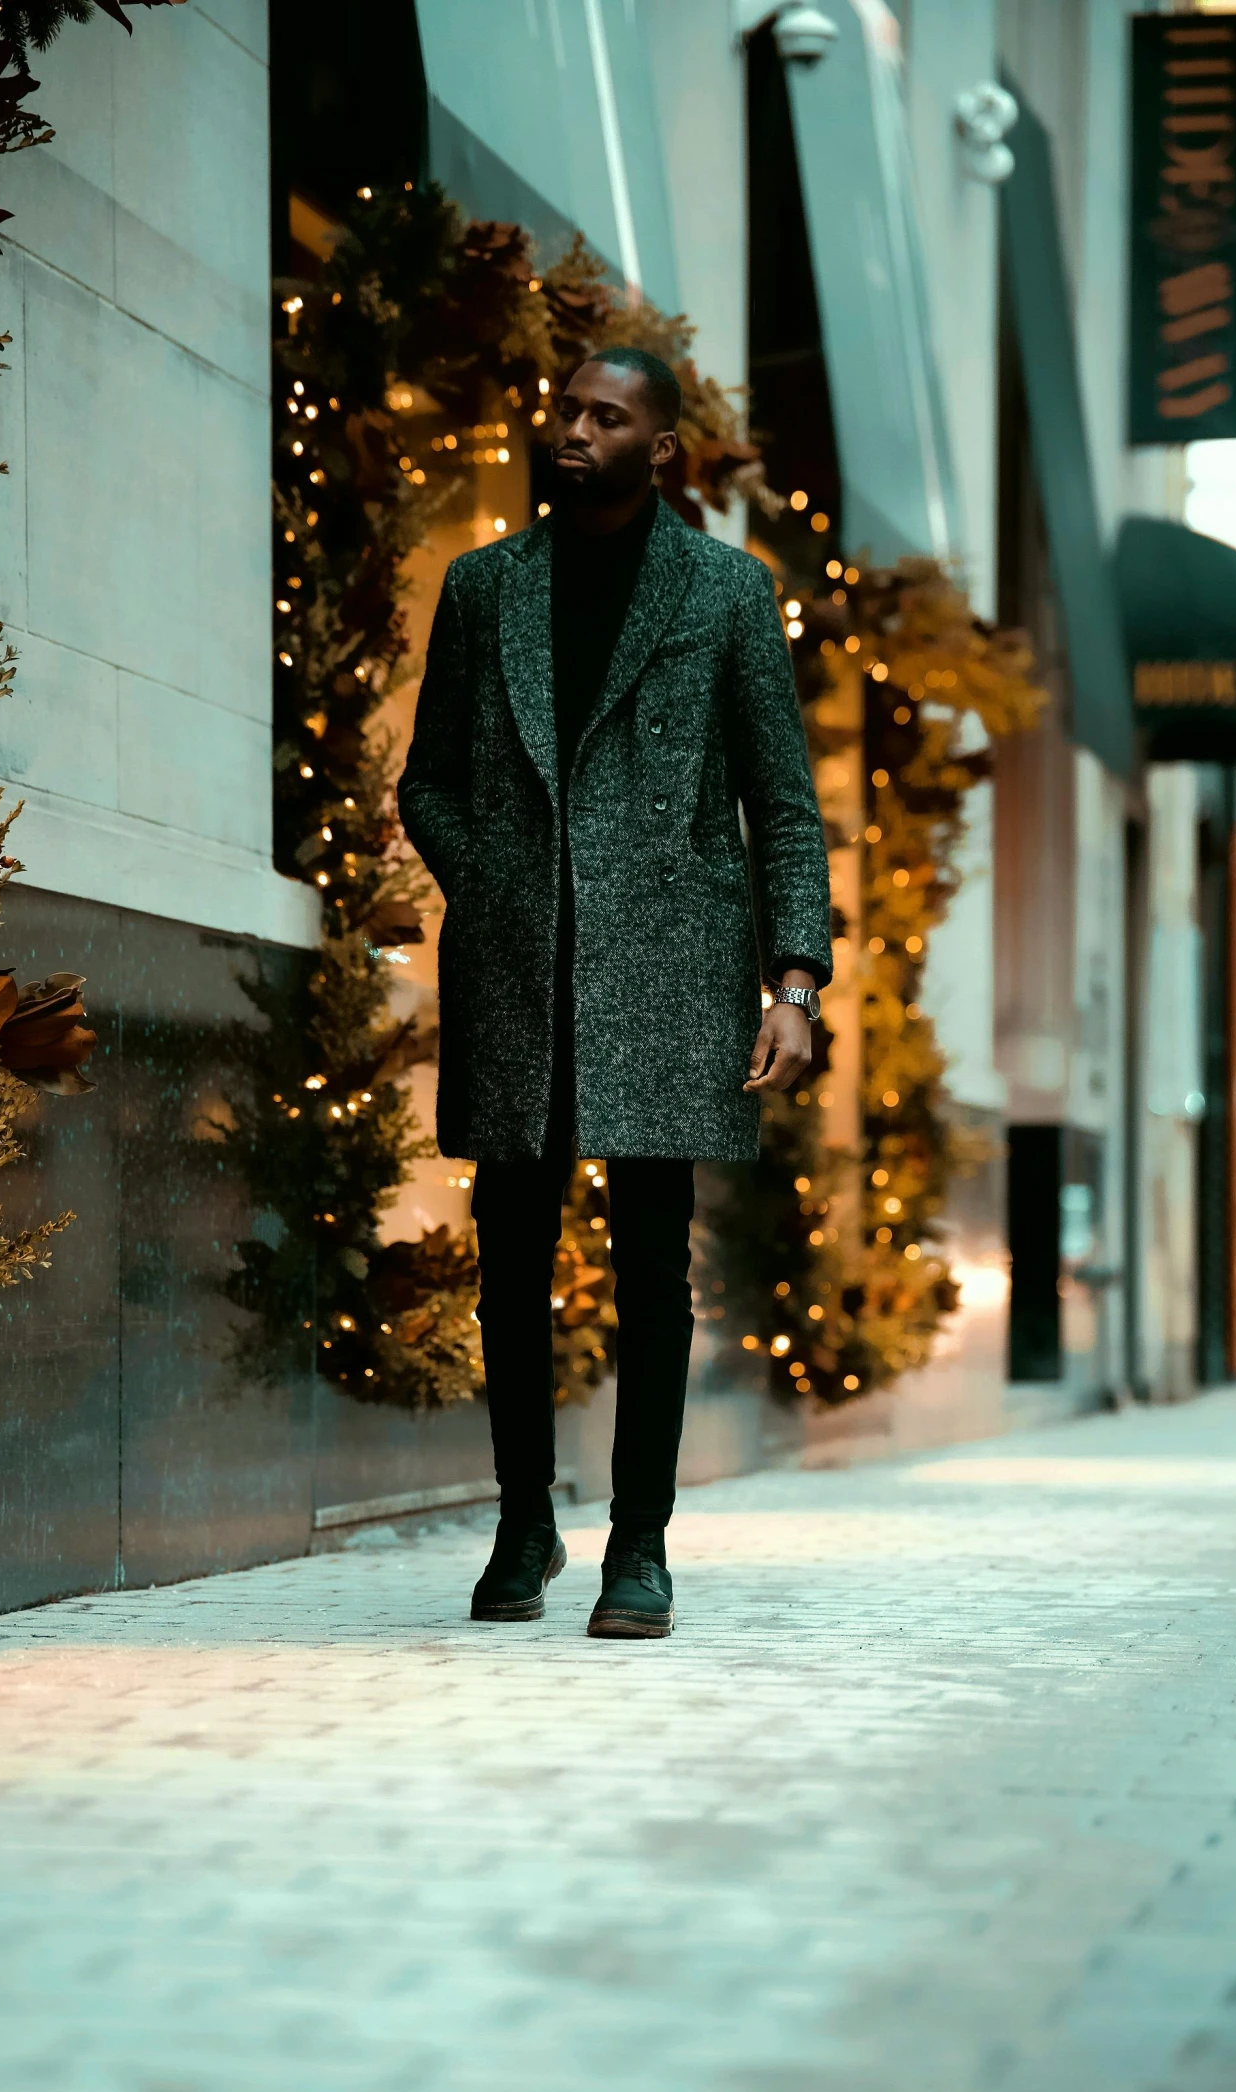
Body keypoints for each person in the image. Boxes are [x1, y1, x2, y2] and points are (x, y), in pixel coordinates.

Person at [398, 347, 832, 1639]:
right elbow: (425, 779)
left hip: (672, 968)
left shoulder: (725, 593)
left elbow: (783, 804)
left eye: (606, 416)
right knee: (508, 1263)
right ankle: (521, 1518)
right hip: (517, 965)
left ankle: (638, 1543)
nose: (572, 429)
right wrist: (495, 881)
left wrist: (793, 980)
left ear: (661, 448)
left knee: (654, 1266)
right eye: (565, 409)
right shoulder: (484, 588)